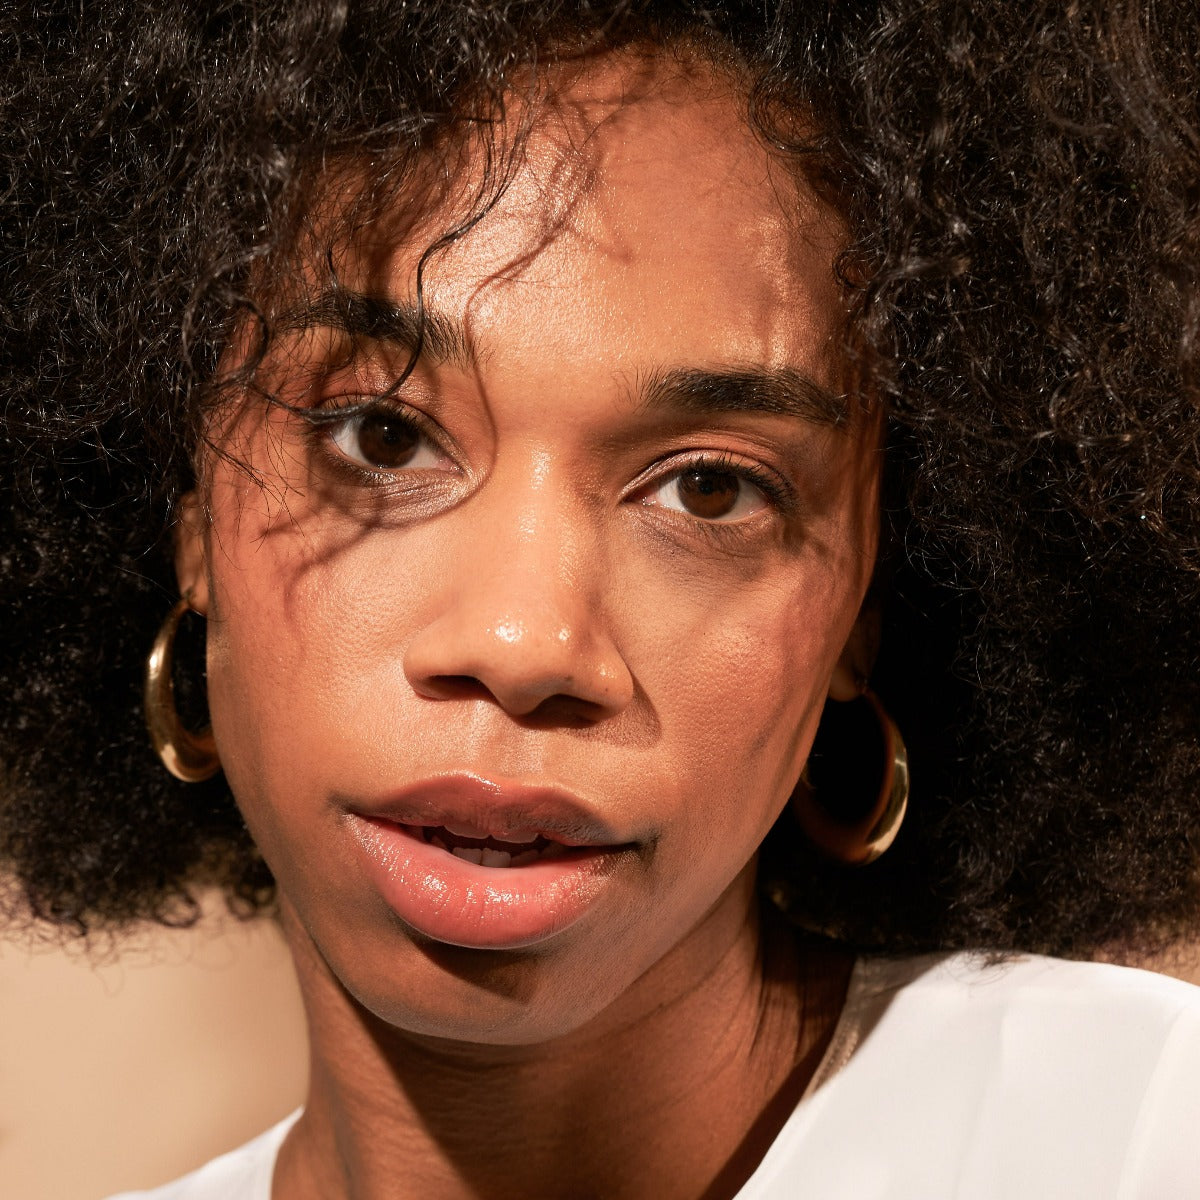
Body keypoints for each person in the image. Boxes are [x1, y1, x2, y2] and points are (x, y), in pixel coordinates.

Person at [2, 2, 1199, 1197]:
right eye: (381, 435)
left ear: (870, 596)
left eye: (712, 488)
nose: (524, 646)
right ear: (187, 516)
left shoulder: (1140, 1135)